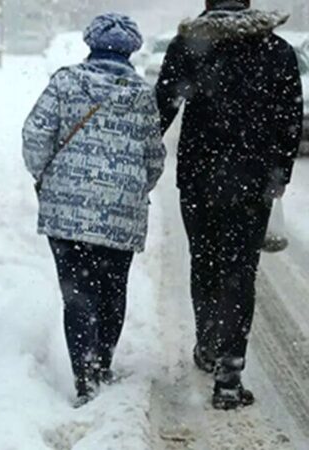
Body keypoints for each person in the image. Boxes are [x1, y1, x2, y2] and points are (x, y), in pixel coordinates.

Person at [156, 0, 303, 410]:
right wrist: (278, 176)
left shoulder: (189, 45)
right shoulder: (277, 51)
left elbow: (162, 108)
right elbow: (289, 120)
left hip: (200, 180)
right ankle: (229, 377)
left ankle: (207, 344)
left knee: (204, 262)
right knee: (239, 272)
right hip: (251, 185)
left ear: (208, 3)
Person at [23, 13, 166, 408]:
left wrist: (47, 177)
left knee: (78, 293)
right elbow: (154, 158)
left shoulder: (65, 82)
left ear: (90, 43)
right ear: (131, 50)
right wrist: (131, 188)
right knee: (112, 289)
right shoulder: (141, 94)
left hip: (67, 213)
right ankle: (101, 363)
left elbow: (35, 135)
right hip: (121, 214)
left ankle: (85, 377)